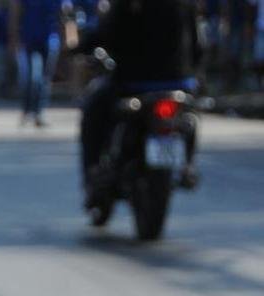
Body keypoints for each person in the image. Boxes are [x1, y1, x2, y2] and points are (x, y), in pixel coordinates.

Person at [79, 0, 202, 201]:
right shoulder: (186, 4)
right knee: (191, 115)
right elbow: (198, 47)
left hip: (132, 82)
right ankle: (189, 165)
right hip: (178, 82)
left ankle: (95, 174)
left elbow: (107, 35)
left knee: (94, 106)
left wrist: (84, 45)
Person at [9, 0, 77, 126]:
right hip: (28, 39)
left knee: (44, 78)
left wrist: (68, 39)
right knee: (28, 77)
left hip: (50, 39)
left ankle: (39, 113)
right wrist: (14, 38)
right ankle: (26, 110)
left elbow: (66, 15)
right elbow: (15, 13)